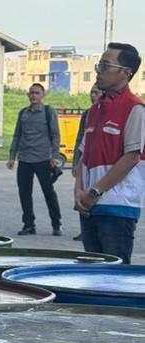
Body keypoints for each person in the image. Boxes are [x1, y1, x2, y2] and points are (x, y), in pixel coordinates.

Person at [74, 42, 144, 264]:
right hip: (89, 207)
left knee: (115, 275)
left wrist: (94, 191)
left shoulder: (135, 108)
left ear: (125, 73)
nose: (98, 71)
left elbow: (131, 157)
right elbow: (83, 156)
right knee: (91, 273)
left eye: (105, 65)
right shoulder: (94, 110)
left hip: (117, 208)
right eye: (99, 65)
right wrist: (79, 192)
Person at [7, 83, 62, 236]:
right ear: (28, 95)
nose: (33, 96)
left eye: (37, 93)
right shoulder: (23, 113)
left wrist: (54, 156)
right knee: (24, 193)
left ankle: (56, 224)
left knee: (48, 192)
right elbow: (17, 135)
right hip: (25, 159)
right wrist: (12, 157)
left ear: (43, 95)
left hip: (43, 159)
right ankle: (29, 225)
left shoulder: (48, 112)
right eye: (31, 93)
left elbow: (55, 135)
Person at [72, 83, 104, 241]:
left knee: (96, 193)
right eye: (91, 92)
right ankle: (85, 228)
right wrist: (75, 162)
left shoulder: (108, 112)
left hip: (101, 161)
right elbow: (80, 138)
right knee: (81, 192)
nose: (93, 96)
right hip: (86, 160)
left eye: (96, 92)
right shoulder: (87, 113)